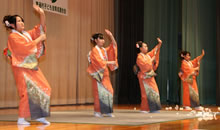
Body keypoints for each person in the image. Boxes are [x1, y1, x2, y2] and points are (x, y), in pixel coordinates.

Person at [2, 5, 51, 125]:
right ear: (12, 25)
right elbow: (24, 49)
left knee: (45, 88)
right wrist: (39, 39)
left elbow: (39, 29)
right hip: (21, 68)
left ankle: (39, 115)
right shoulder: (13, 36)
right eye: (19, 21)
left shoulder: (26, 34)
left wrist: (42, 14)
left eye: (22, 20)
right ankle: (21, 118)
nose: (22, 22)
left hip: (32, 67)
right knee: (27, 91)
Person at [87, 29, 118, 117]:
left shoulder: (104, 50)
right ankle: (97, 111)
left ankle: (107, 110)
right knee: (99, 92)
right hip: (98, 74)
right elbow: (99, 62)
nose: (103, 40)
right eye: (101, 38)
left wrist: (111, 36)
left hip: (105, 74)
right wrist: (110, 62)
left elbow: (114, 46)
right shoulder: (94, 51)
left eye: (103, 39)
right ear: (96, 41)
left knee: (109, 91)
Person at [136, 38, 162, 113]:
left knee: (154, 91)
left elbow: (155, 51)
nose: (147, 48)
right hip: (144, 76)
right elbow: (145, 66)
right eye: (145, 46)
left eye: (147, 46)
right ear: (140, 48)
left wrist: (159, 44)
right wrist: (151, 60)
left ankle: (154, 108)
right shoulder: (139, 57)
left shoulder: (147, 55)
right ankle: (145, 108)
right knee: (145, 93)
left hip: (150, 76)